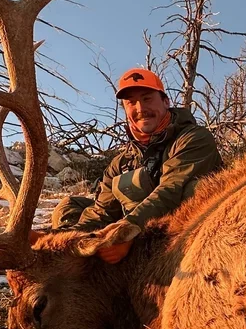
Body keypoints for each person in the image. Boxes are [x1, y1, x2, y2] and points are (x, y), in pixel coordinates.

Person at [51, 67, 223, 261]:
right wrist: (60, 240)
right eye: (131, 102)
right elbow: (102, 213)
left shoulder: (193, 138)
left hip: (191, 238)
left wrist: (124, 232)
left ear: (166, 102)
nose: (140, 108)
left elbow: (170, 191)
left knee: (195, 189)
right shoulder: (120, 162)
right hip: (137, 232)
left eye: (147, 98)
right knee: (68, 207)